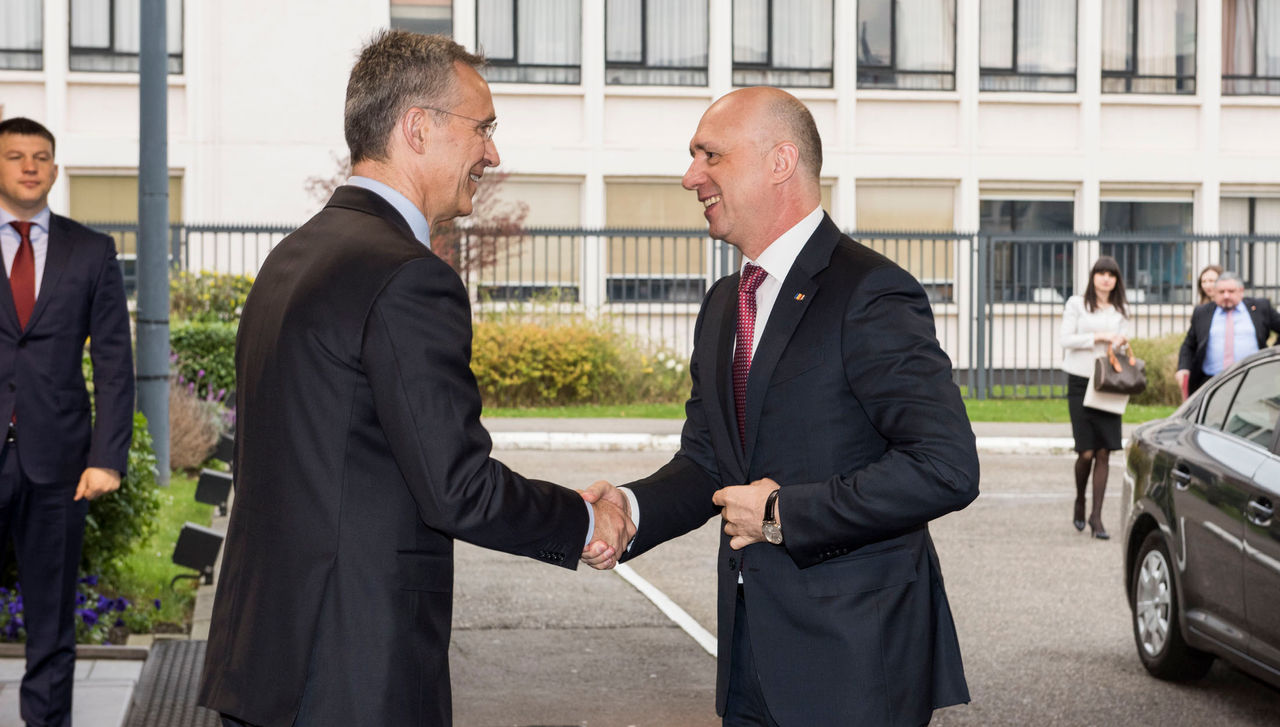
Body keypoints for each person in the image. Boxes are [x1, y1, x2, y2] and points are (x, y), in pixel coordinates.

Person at [197, 31, 632, 727]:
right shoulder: (408, 276)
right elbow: (457, 488)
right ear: (418, 127)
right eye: (483, 128)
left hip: (262, 663)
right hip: (351, 674)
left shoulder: (291, 257)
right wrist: (583, 520)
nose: (493, 153)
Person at [580, 87, 980, 727]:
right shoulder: (723, 303)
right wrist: (630, 509)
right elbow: (710, 463)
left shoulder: (871, 292)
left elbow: (946, 467)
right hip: (749, 665)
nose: (691, 177)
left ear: (780, 161)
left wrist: (782, 513)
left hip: (856, 669)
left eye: (711, 155)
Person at [0, 117, 134, 726]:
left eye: (41, 156)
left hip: (59, 465)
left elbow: (114, 362)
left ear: (55, 170)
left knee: (52, 622)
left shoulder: (91, 251)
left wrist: (107, 458)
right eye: (15, 156)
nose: (30, 166)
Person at [1059, 256, 1128, 540]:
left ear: (1116, 280)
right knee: (1086, 451)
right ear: (1093, 277)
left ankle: (1096, 517)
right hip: (1080, 381)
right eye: (1101, 273)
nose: (1106, 279)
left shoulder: (1120, 310)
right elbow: (1066, 339)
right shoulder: (1076, 304)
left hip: (1107, 384)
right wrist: (1099, 337)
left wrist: (1119, 341)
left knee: (1104, 452)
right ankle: (1080, 499)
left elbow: (1121, 344)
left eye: (1111, 274)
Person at [1176, 271, 1280, 396]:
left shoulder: (1260, 307)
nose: (1226, 295)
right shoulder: (1202, 312)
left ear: (1241, 291)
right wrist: (1183, 368)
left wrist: (1271, 353)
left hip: (1253, 381)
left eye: (1231, 291)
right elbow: (1189, 345)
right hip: (1212, 382)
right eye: (1221, 292)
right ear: (1214, 293)